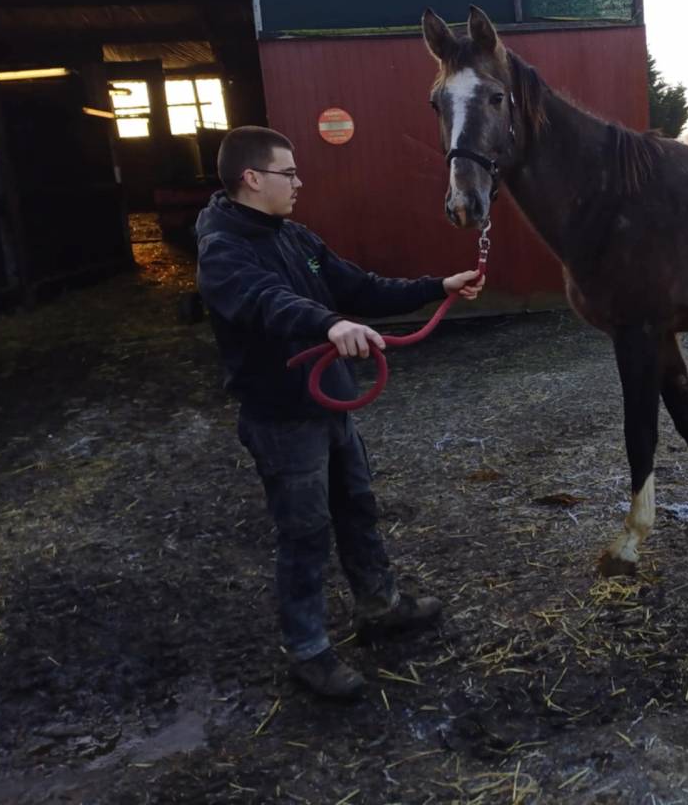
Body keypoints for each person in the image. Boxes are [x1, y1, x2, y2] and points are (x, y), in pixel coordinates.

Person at [195, 125, 483, 700]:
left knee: (356, 506)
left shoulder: (294, 238)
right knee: (303, 533)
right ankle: (306, 650)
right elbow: (264, 301)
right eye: (289, 173)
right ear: (252, 179)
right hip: (282, 415)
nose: (300, 182)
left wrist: (436, 285)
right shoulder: (223, 249)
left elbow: (358, 286)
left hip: (329, 403)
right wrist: (328, 323)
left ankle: (378, 606)